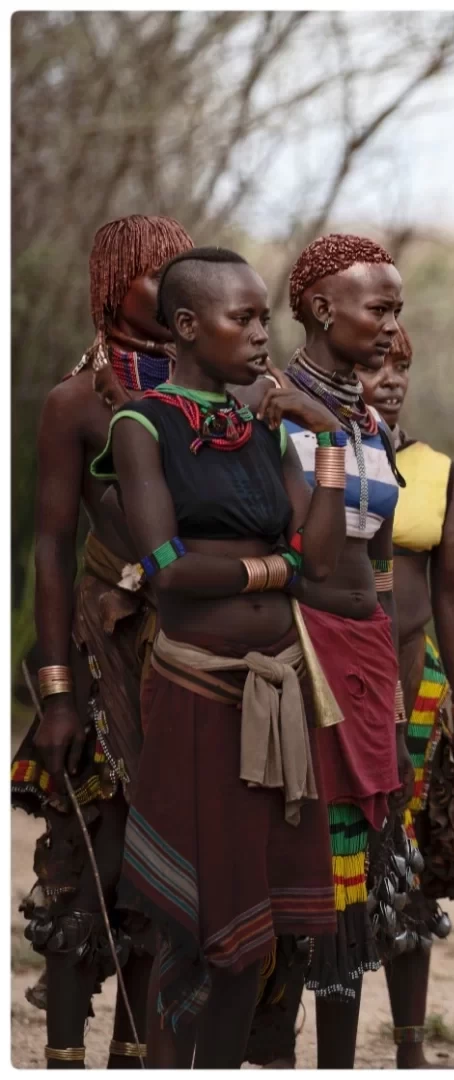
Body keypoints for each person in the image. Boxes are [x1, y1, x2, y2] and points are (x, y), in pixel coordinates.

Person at [88, 246, 349, 1067]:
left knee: (259, 939)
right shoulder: (142, 425)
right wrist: (279, 564)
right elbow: (170, 570)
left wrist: (330, 440)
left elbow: (328, 556)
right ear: (189, 327)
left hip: (280, 701)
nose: (262, 334)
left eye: (263, 316)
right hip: (201, 696)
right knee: (197, 934)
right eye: (244, 318)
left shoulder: (261, 431)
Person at [12, 213, 193, 1068]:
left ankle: (135, 1051)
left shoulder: (214, 399)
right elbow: (48, 547)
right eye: (163, 274)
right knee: (95, 843)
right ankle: (60, 1054)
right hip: (102, 643)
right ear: (117, 284)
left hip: (194, 647)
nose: (181, 291)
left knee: (171, 860)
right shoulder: (74, 403)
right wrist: (54, 690)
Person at [240, 232, 412, 1068]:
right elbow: (297, 545)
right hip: (297, 650)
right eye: (377, 308)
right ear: (318, 307)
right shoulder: (265, 403)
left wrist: (388, 669)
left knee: (354, 889)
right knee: (297, 872)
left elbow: (376, 559)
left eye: (397, 310)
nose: (390, 326)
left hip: (365, 651)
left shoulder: (370, 417)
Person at [358, 325, 454, 1067]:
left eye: (402, 365)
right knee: (336, 868)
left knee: (411, 864)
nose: (390, 377)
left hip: (421, 692)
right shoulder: (307, 453)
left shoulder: (436, 471)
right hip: (338, 688)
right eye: (377, 362)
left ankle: (411, 1051)